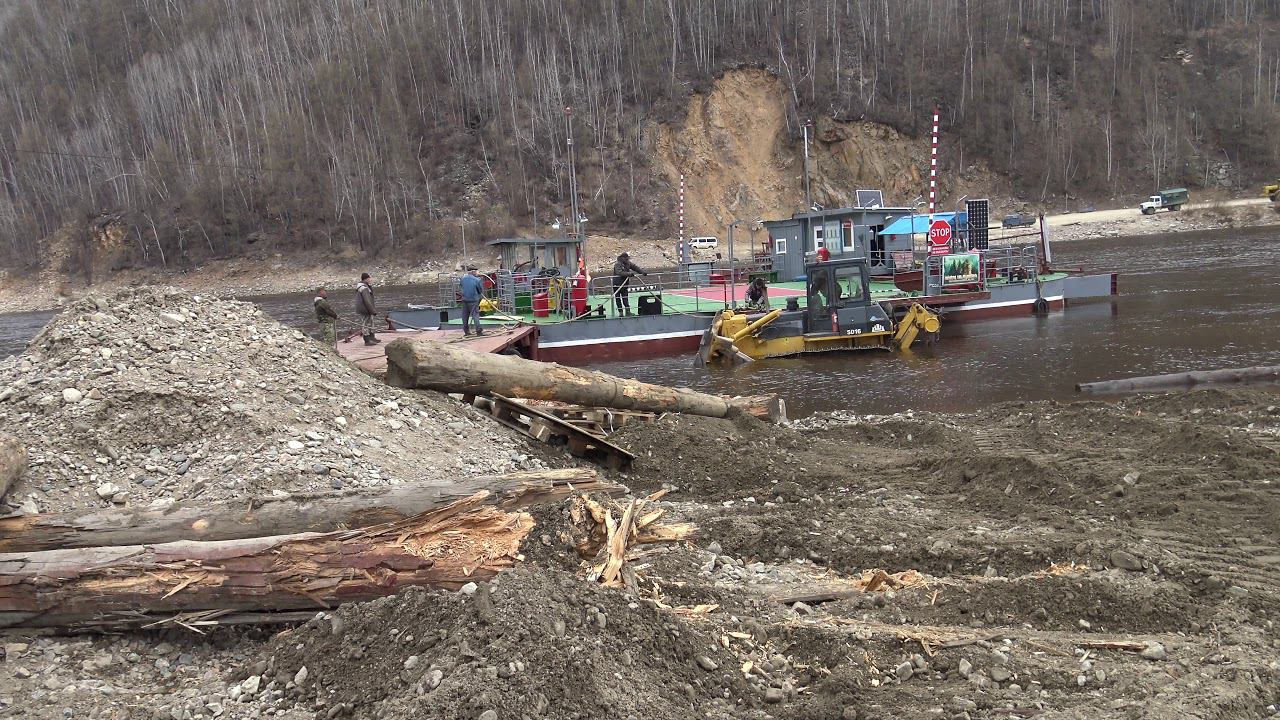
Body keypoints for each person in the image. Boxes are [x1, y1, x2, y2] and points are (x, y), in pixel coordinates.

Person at [610, 252, 647, 316]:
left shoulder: (628, 263)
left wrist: (642, 272)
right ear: (622, 258)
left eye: (628, 259)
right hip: (617, 284)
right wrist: (629, 274)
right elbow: (619, 272)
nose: (627, 260)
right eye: (626, 259)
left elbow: (635, 267)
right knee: (618, 298)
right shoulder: (617, 264)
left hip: (624, 284)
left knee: (625, 298)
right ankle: (620, 312)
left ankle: (627, 311)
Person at [459, 266, 486, 337]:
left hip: (464, 300)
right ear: (473, 272)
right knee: (475, 315)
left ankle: (466, 331)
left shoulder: (462, 279)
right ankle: (479, 331)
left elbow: (461, 288)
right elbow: (480, 290)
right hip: (473, 300)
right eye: (476, 271)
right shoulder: (477, 280)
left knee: (465, 316)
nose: (477, 273)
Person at [355, 272, 379, 346]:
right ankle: (367, 340)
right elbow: (367, 301)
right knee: (365, 324)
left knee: (371, 322)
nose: (370, 280)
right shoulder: (364, 288)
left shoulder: (365, 287)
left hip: (366, 309)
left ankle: (372, 337)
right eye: (369, 278)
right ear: (366, 279)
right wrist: (372, 310)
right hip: (365, 309)